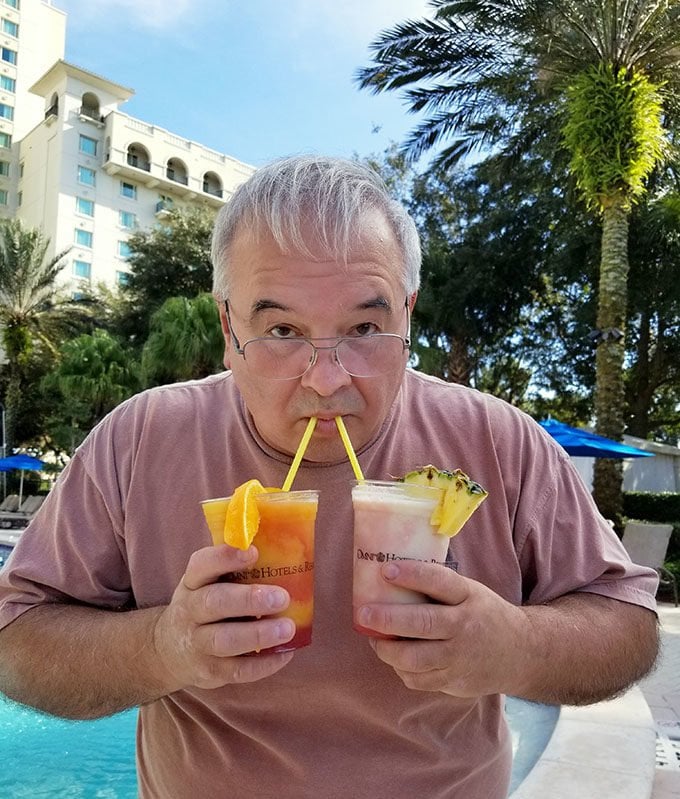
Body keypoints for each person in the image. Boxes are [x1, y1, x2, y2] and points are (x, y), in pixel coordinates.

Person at [0, 155, 658, 799]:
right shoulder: (141, 439)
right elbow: (17, 638)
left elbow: (628, 627)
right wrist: (164, 646)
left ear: (408, 313)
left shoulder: (497, 440)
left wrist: (514, 645)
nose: (326, 378)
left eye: (365, 327)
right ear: (229, 327)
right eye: (282, 328)